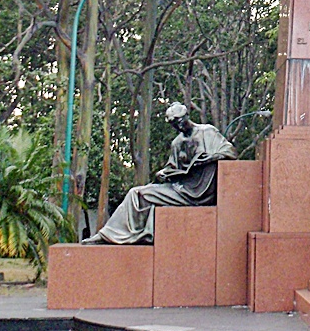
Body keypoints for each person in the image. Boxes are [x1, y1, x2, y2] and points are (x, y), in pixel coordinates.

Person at [82, 102, 236, 245]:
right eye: (174, 124)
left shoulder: (207, 131)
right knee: (136, 193)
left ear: (187, 116)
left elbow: (230, 152)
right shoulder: (177, 142)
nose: (178, 127)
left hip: (202, 190)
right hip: (180, 188)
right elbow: (172, 168)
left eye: (180, 121)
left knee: (138, 194)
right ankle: (110, 235)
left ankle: (112, 235)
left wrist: (208, 159)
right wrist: (163, 174)